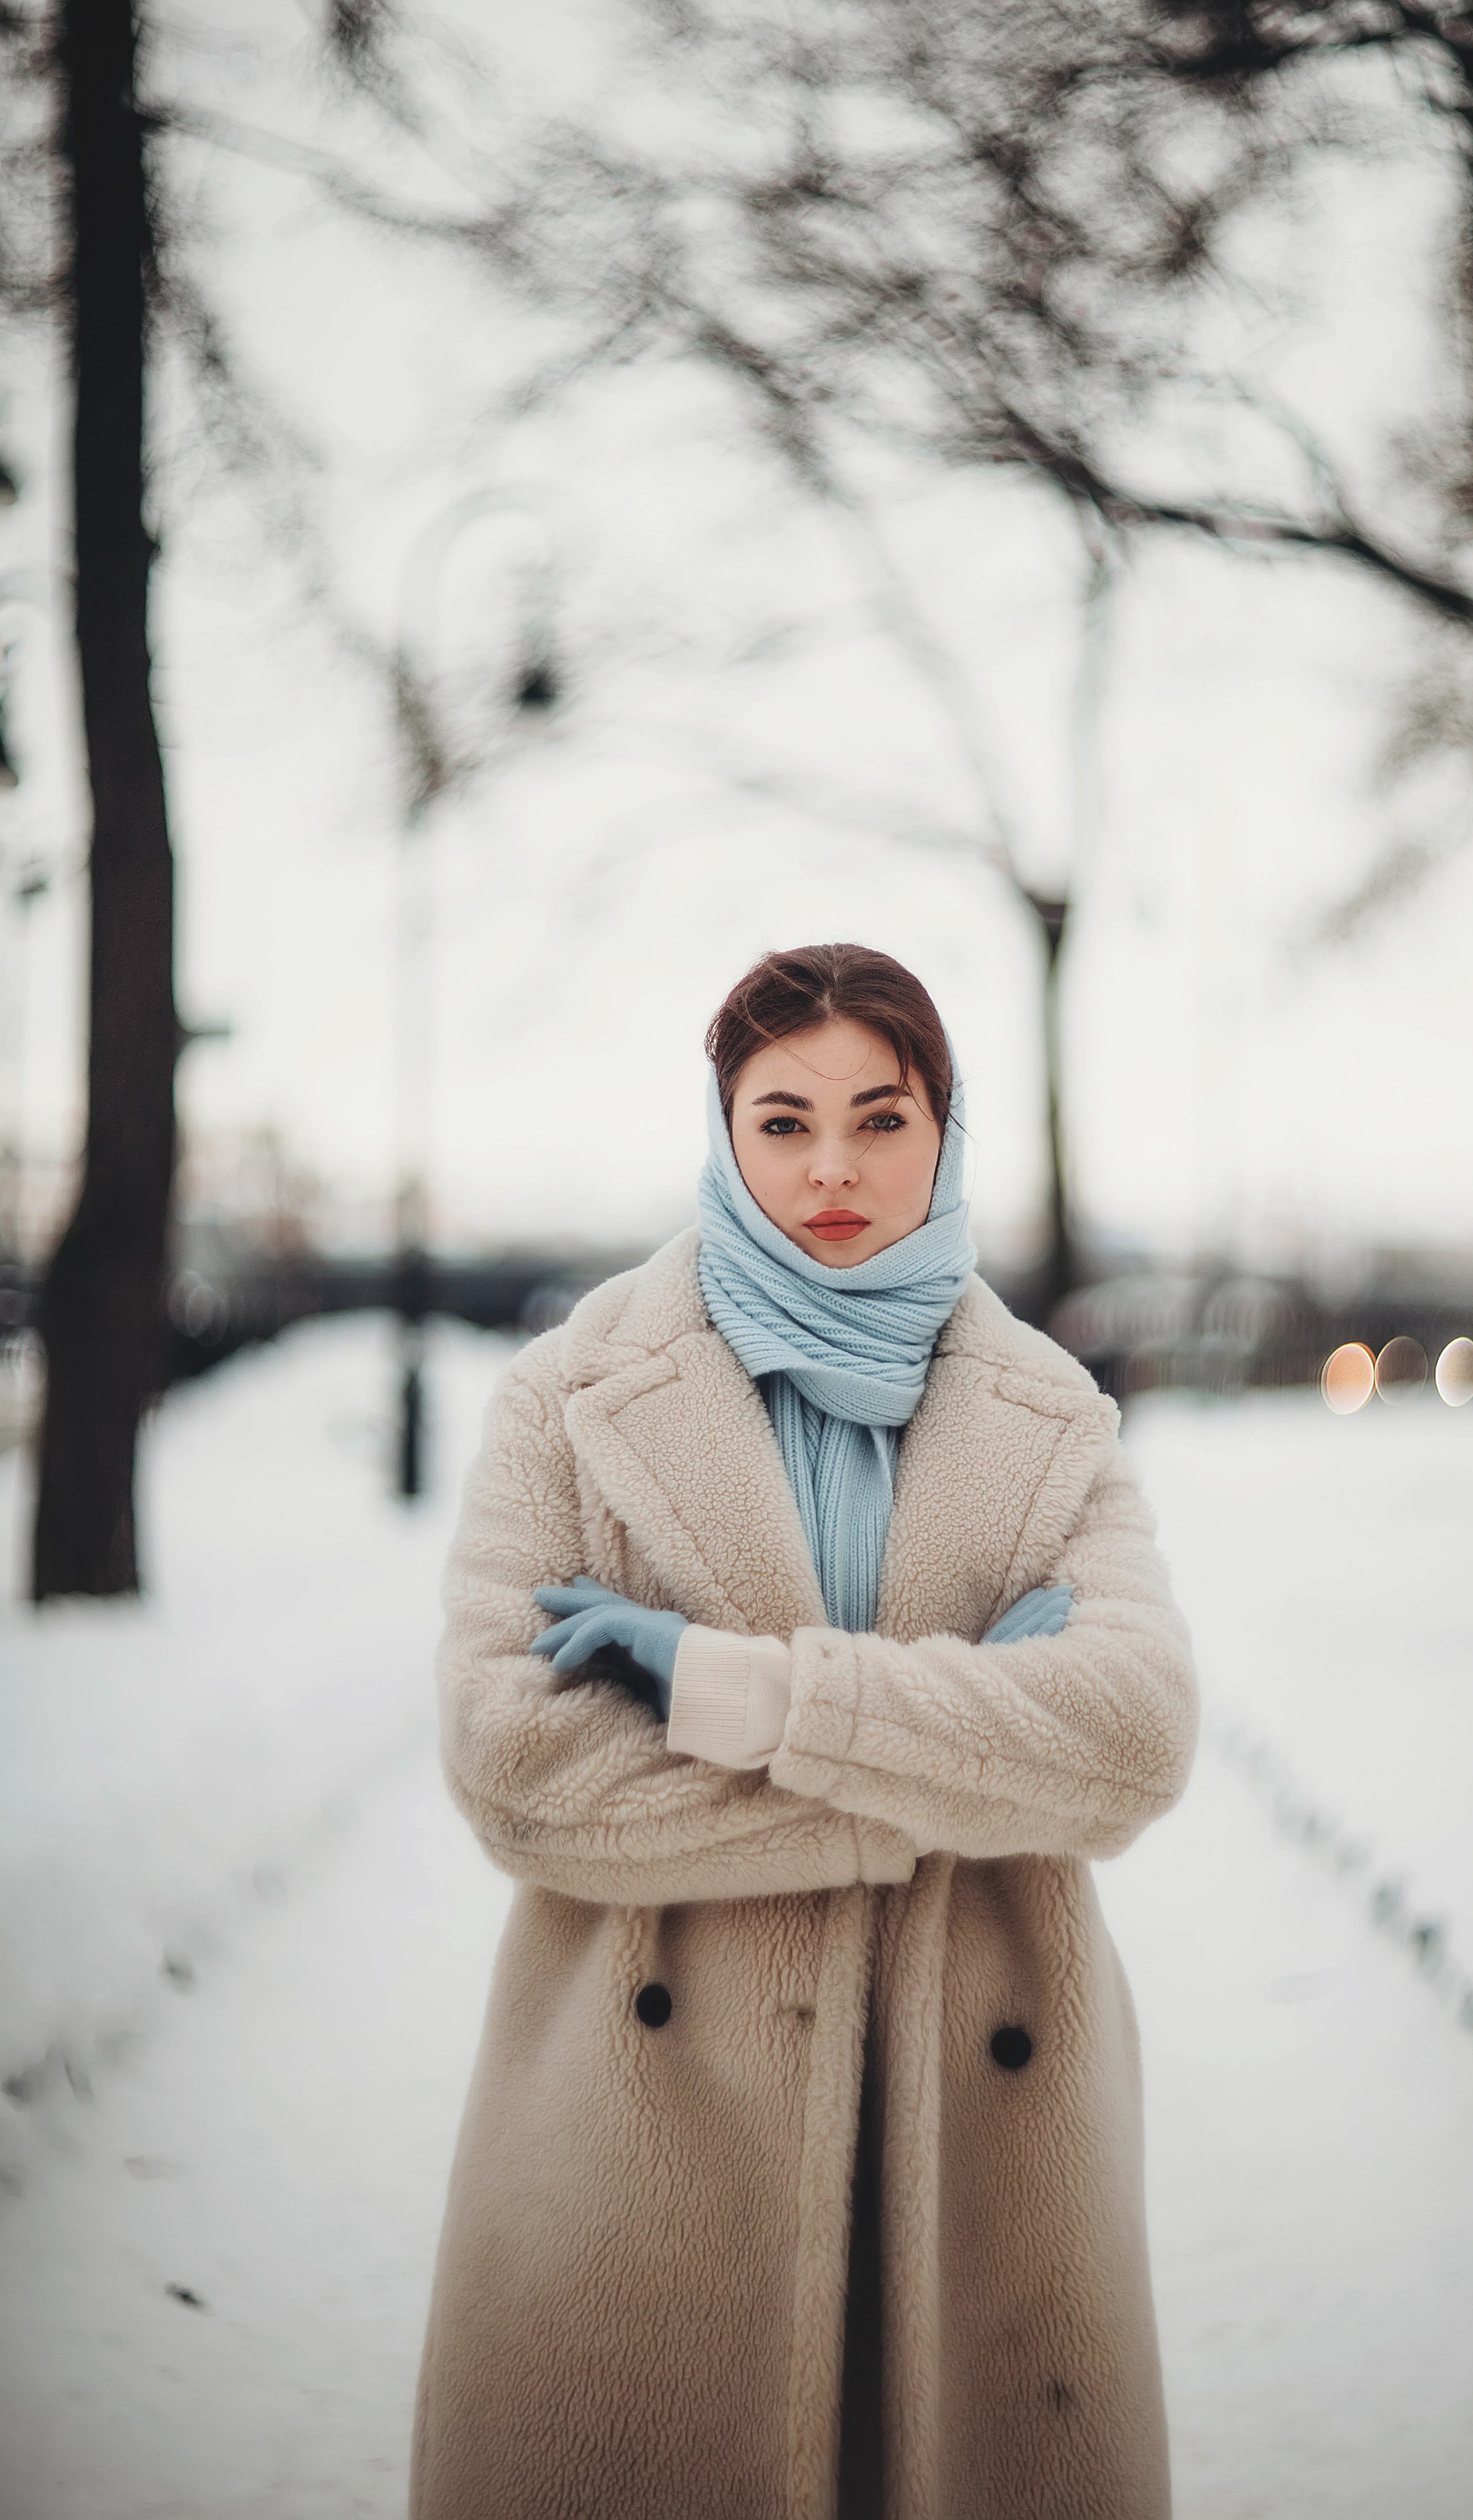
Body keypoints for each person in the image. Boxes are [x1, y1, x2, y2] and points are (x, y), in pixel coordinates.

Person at [410, 942, 1197, 2520]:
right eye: (781, 1122)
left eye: (879, 1116)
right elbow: (515, 1768)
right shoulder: (570, 1398)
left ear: (945, 1129)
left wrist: (733, 1693)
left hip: (981, 2154)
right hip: (645, 2152)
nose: (831, 1167)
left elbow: (1130, 1739)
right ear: (721, 1132)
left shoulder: (1052, 1418)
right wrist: (959, 1754)